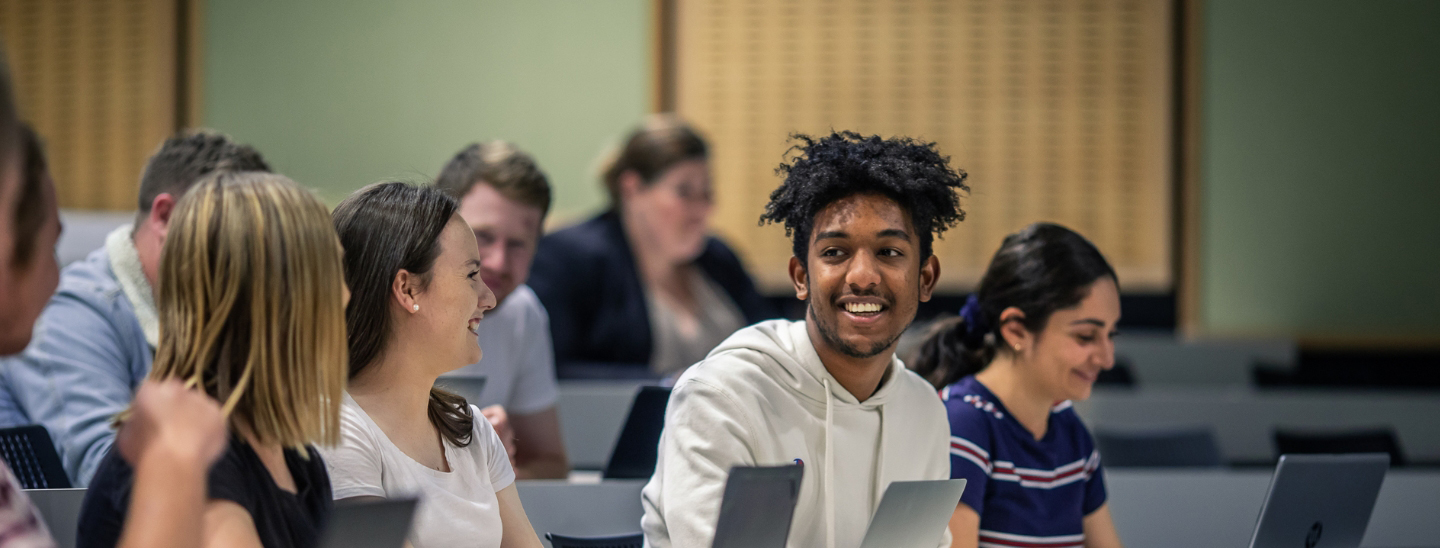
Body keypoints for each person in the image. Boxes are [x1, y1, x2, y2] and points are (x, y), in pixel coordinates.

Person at [641, 131, 969, 548]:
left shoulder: (924, 411)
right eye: (835, 252)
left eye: (889, 252)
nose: (863, 276)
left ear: (925, 279)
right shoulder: (724, 396)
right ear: (801, 277)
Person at [0, 52, 227, 548]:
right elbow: (105, 478)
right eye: (48, 242)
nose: (57, 277)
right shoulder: (78, 309)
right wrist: (175, 458)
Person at [77, 171, 348, 548]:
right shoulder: (191, 453)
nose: (346, 296)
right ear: (275, 303)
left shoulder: (299, 461)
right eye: (331, 274)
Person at [0, 129, 269, 485]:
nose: (249, 261)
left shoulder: (214, 311)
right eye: (235, 235)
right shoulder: (71, 311)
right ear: (165, 216)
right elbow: (107, 480)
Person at [322, 183, 543, 548]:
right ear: (407, 290)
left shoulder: (469, 426)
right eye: (472, 275)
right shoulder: (336, 430)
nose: (487, 298)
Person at [909, 223, 1125, 548]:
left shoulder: (1070, 430)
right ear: (1016, 331)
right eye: (1085, 337)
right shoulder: (963, 424)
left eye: (1111, 335)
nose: (1107, 359)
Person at [529, 115, 776, 377]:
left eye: (707, 192)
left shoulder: (718, 256)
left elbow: (770, 343)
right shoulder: (570, 258)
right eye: (684, 191)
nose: (703, 208)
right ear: (632, 189)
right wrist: (674, 384)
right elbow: (553, 371)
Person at [433, 142, 569, 479]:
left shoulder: (522, 313)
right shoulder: (370, 303)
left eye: (518, 244)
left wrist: (497, 469)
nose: (497, 261)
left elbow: (549, 465)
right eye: (483, 235)